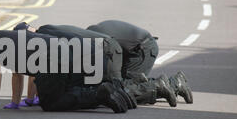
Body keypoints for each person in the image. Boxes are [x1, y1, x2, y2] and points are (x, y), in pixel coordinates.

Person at [0, 25, 134, 114]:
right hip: (64, 52)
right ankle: (115, 91)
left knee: (52, 103)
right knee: (65, 91)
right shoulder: (8, 40)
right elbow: (20, 74)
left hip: (54, 58)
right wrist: (17, 103)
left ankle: (99, 94)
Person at [13, 22, 178, 107]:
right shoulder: (48, 30)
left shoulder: (44, 36)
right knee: (117, 86)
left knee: (115, 90)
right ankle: (173, 84)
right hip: (105, 49)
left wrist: (29, 99)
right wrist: (30, 99)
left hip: (103, 51)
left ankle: (157, 87)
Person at [87, 20, 193, 104]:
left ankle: (164, 86)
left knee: (121, 91)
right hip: (137, 47)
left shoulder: (98, 44)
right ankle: (173, 82)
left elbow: (112, 71)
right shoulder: (91, 34)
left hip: (143, 49)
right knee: (125, 83)